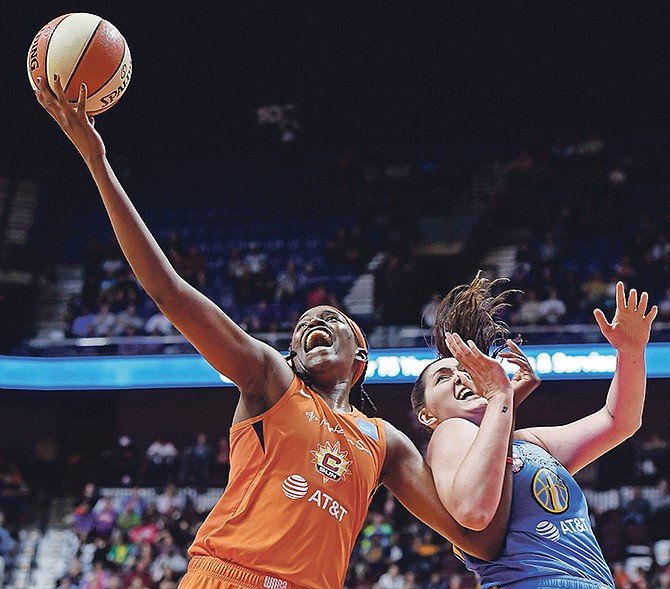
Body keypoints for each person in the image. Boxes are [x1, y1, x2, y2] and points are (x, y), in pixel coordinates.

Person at [34, 77, 521, 589]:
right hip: (227, 576)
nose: (314, 322)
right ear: (290, 357)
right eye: (303, 327)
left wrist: (501, 416)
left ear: (361, 359)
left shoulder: (386, 443)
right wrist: (97, 160)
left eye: (333, 319)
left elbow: (481, 540)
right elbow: (170, 293)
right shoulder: (270, 380)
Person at [411, 273, 657, 589]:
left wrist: (631, 354)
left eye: (465, 370)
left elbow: (619, 421)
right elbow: (474, 512)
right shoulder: (451, 432)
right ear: (428, 416)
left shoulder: (527, 441)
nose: (460, 378)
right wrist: (502, 398)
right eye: (443, 378)